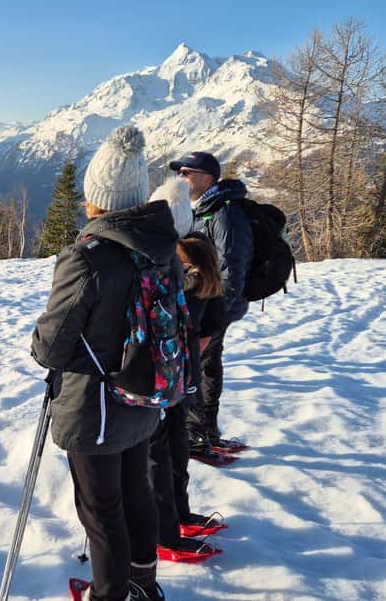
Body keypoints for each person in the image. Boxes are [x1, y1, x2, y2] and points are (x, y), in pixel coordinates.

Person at [32, 125, 177, 601]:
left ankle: (109, 594)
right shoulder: (162, 247)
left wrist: (40, 341)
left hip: (94, 406)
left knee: (101, 509)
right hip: (144, 393)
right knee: (137, 489)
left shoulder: (88, 257)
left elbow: (51, 347)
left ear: (95, 198)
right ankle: (143, 582)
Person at [146, 181, 226, 558]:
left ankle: (166, 529)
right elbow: (209, 334)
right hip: (182, 379)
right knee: (174, 450)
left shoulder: (167, 277)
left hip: (160, 381)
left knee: (158, 456)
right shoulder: (207, 285)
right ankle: (176, 515)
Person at [168, 152, 252, 450]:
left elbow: (232, 269)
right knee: (205, 366)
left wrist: (215, 318)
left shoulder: (225, 214)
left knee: (199, 366)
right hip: (204, 307)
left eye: (187, 172)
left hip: (214, 309)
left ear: (207, 178)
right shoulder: (205, 209)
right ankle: (205, 431)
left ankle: (196, 433)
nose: (181, 178)